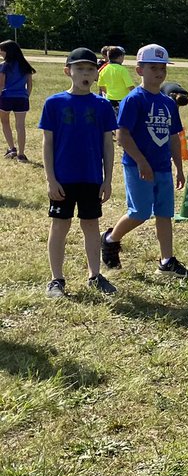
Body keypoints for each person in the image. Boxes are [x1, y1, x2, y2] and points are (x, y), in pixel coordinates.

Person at [100, 44, 188, 278]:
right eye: (153, 68)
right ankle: (110, 239)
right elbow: (122, 135)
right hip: (138, 166)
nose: (159, 73)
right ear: (140, 70)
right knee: (140, 213)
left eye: (162, 68)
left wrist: (179, 168)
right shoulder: (134, 100)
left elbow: (173, 137)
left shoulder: (168, 103)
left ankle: (166, 260)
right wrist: (141, 162)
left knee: (164, 214)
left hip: (162, 167)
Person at [39, 48, 120, 297]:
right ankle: (56, 279)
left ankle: (94, 275)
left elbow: (108, 145)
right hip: (63, 179)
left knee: (91, 225)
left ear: (97, 74)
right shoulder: (54, 103)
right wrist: (51, 179)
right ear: (68, 72)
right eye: (80, 69)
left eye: (90, 69)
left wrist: (107, 179)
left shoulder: (103, 106)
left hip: (91, 178)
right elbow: (48, 143)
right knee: (60, 226)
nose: (85, 73)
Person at [0, 39, 36, 163]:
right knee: (20, 126)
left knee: (5, 122)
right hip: (22, 97)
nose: (0, 53)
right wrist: (26, 95)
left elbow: (1, 84)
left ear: (7, 52)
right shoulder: (25, 64)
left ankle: (12, 148)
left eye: (1, 51)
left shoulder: (4, 65)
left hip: (6, 97)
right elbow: (30, 85)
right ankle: (21, 154)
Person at [97, 46, 136, 117]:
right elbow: (130, 86)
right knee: (122, 119)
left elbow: (101, 85)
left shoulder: (104, 69)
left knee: (112, 119)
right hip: (122, 100)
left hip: (110, 99)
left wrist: (108, 92)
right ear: (120, 57)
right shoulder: (122, 70)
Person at [162, 81, 188, 161]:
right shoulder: (169, 98)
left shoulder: (185, 94)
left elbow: (176, 110)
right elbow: (172, 110)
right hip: (163, 88)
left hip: (175, 86)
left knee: (174, 114)